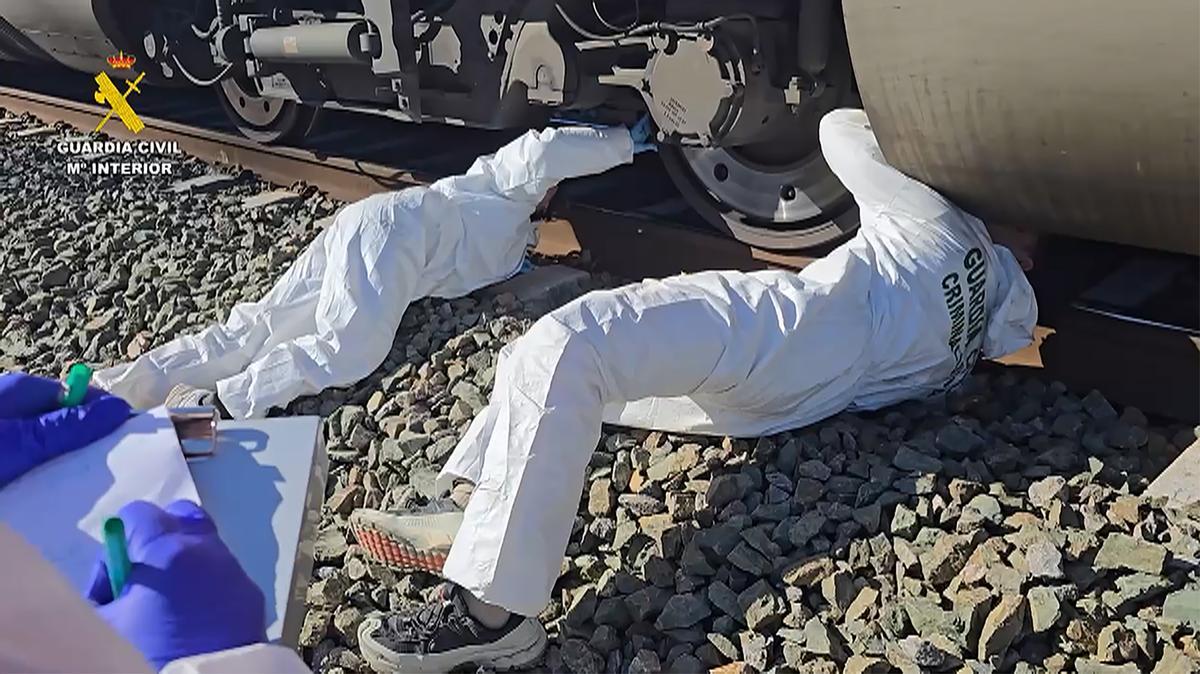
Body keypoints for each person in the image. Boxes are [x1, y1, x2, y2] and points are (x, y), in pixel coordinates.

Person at [348, 108, 1039, 674]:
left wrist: (936, 163)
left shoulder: (945, 226)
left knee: (567, 345)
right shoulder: (968, 348)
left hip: (790, 330)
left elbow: (839, 129)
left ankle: (490, 615)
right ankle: (467, 503)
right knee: (546, 371)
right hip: (788, 403)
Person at [93, 120, 655, 419]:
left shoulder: (511, 226)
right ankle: (226, 403)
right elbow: (542, 150)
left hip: (371, 224)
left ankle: (118, 389)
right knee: (349, 347)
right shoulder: (504, 184)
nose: (553, 189)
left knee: (263, 325)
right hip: (400, 238)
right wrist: (621, 144)